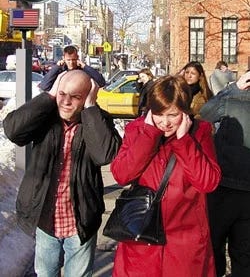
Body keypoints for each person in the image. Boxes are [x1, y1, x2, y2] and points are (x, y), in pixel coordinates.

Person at [3, 70, 121, 277]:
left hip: (80, 220)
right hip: (46, 219)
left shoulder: (97, 120)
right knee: (46, 274)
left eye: (75, 97)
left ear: (87, 98)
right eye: (62, 94)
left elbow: (105, 154)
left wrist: (91, 109)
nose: (66, 102)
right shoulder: (45, 118)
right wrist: (49, 96)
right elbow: (13, 130)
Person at [110, 75, 221, 277]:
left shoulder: (200, 132)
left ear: (185, 112)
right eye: (159, 114)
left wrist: (184, 142)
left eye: (173, 115)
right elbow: (121, 174)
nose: (165, 123)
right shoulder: (137, 130)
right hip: (141, 236)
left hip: (185, 240)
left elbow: (208, 182)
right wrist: (149, 135)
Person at [200, 71, 250, 277]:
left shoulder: (231, 99)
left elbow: (205, 113)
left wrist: (233, 88)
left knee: (215, 246)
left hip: (223, 187)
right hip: (243, 191)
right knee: (244, 255)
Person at [39, 45, 106, 91]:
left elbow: (101, 82)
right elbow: (44, 86)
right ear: (63, 59)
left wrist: (85, 67)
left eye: (73, 59)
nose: (71, 62)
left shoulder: (84, 71)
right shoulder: (59, 72)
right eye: (68, 60)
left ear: (77, 57)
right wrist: (57, 67)